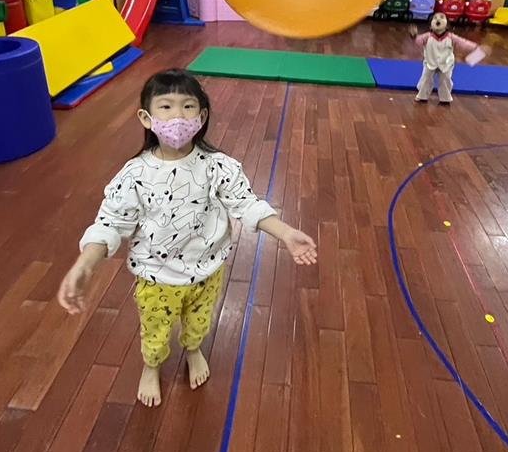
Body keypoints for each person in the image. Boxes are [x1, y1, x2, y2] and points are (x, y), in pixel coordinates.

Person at [57, 69, 317, 407]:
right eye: (166, 107)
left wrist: (286, 233)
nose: (177, 116)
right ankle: (152, 365)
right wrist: (85, 264)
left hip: (207, 271)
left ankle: (193, 349)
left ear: (202, 116)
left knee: (199, 322)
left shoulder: (218, 166)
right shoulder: (134, 175)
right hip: (156, 277)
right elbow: (111, 223)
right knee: (155, 331)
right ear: (146, 118)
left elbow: (246, 204)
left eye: (188, 106)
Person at [408, 11, 486, 105]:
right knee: (426, 79)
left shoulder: (451, 37)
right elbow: (417, 42)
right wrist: (414, 36)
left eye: (442, 17)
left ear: (447, 25)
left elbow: (464, 43)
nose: (438, 19)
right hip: (430, 62)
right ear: (430, 26)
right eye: (435, 18)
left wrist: (476, 47)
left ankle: (445, 98)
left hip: (446, 63)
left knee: (445, 80)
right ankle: (422, 96)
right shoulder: (427, 36)